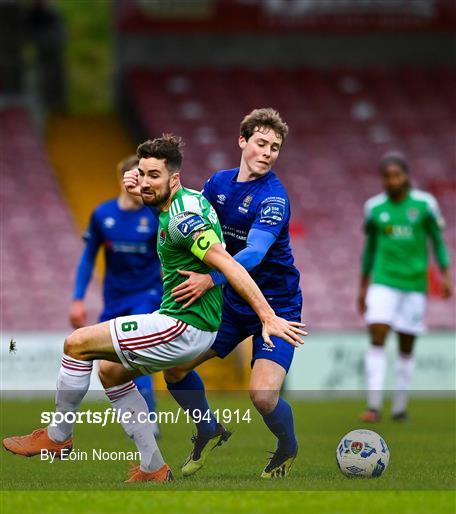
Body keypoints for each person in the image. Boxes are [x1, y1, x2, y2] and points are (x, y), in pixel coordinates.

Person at [3, 134, 306, 484]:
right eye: (141, 174)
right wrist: (144, 188)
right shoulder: (185, 198)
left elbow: (232, 265)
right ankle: (153, 467)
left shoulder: (184, 221)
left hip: (184, 325)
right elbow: (161, 202)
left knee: (75, 344)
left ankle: (58, 437)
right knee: (110, 372)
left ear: (173, 179)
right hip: (187, 320)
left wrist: (268, 316)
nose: (144, 182)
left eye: (153, 176)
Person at [162, 108, 303, 479]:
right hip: (228, 304)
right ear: (242, 141)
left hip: (275, 305)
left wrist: (210, 279)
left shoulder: (274, 198)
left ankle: (288, 445)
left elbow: (254, 254)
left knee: (262, 396)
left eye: (275, 147)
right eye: (261, 143)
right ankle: (208, 429)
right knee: (175, 369)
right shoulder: (217, 185)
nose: (268, 152)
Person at [357, 151, 452, 422]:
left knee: (406, 345)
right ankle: (373, 405)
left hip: (414, 285)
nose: (392, 180)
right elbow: (369, 249)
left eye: (397, 175)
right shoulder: (374, 208)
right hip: (383, 281)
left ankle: (399, 407)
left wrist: (445, 275)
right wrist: (362, 287)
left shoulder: (425, 204)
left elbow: (437, 240)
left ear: (406, 177)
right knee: (377, 333)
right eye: (387, 176)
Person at [69, 155, 161, 433]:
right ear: (122, 179)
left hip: (147, 295)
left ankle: (147, 417)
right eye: (135, 177)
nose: (140, 183)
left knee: (135, 351)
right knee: (109, 363)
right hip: (114, 298)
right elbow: (88, 258)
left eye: (145, 178)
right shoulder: (102, 214)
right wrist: (77, 298)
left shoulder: (155, 214)